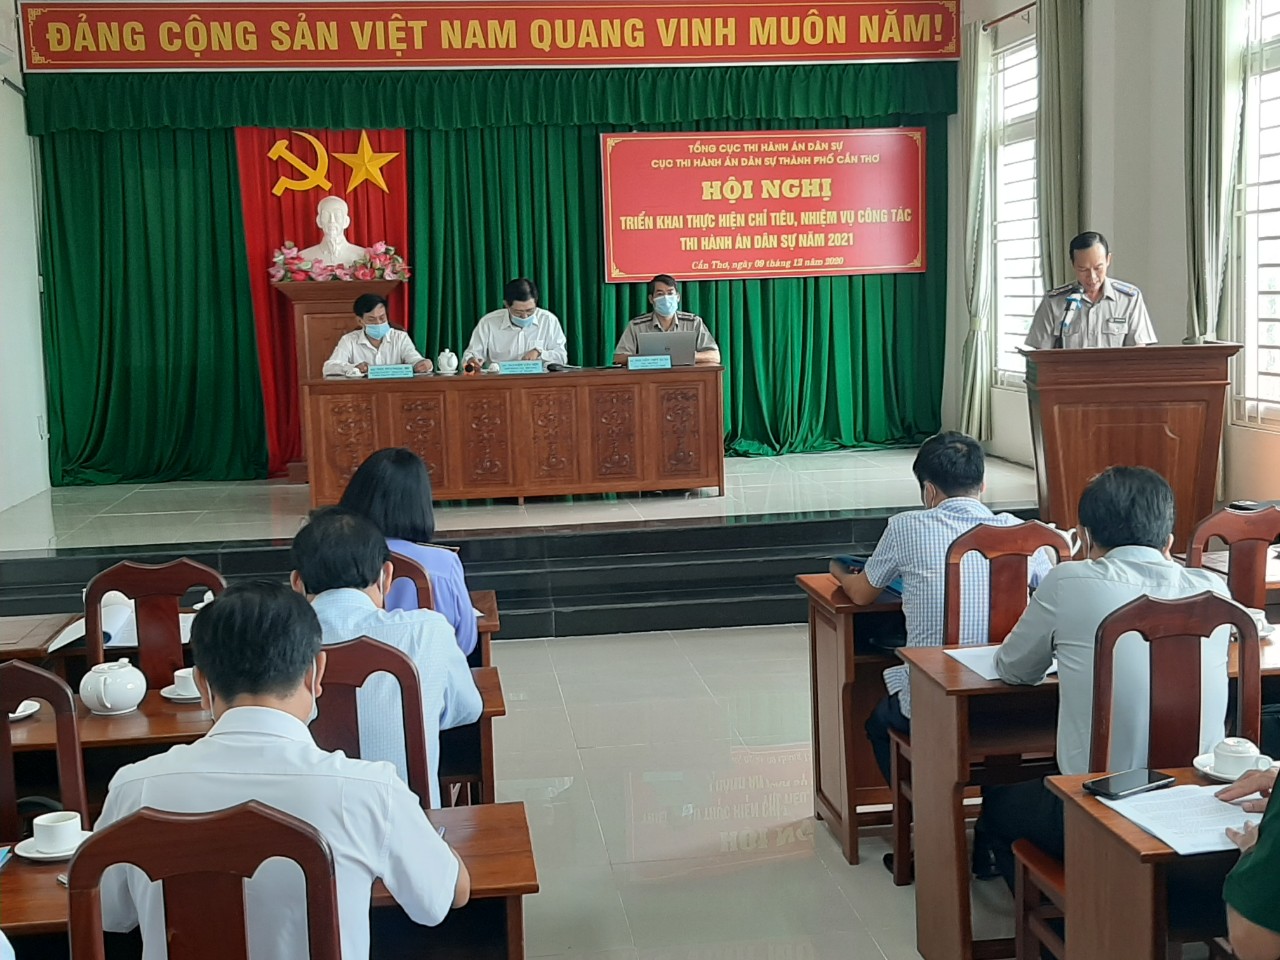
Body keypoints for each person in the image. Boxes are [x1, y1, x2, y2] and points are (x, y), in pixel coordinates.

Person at [95, 581, 469, 960]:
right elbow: (445, 897)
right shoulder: (369, 790)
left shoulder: (134, 789)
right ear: (314, 672)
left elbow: (110, 913)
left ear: (202, 684)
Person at [983, 466, 1233, 889]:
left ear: (1086, 535)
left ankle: (1071, 916)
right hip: (1199, 802)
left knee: (998, 805)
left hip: (1099, 806)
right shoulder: (1214, 593)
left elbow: (1014, 669)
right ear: (1169, 539)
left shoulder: (1069, 581)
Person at [829, 432, 1054, 789]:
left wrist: (839, 571)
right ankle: (1001, 808)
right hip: (1017, 698)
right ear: (983, 485)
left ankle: (923, 809)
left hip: (939, 701)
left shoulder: (906, 526)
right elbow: (1052, 594)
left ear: (929, 491)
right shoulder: (1023, 532)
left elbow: (861, 595)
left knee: (877, 723)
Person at [290, 507, 481, 807]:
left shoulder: (274, 641)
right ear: (387, 575)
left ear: (296, 583)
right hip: (411, 819)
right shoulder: (427, 630)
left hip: (309, 823)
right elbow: (468, 709)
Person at [339, 447, 478, 658]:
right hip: (429, 674)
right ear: (420, 502)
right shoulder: (443, 564)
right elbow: (465, 643)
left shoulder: (335, 557)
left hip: (351, 675)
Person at [1023, 231, 1157, 349]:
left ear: (1108, 260)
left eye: (1098, 268)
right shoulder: (1054, 302)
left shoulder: (1129, 299)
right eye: (1083, 269)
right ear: (1073, 264)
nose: (1092, 277)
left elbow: (1137, 350)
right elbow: (1042, 354)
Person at [612, 274, 720, 365]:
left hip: (686, 379)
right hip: (649, 380)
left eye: (670, 293)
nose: (666, 298)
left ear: (678, 297)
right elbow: (619, 358)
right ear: (651, 299)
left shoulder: (694, 322)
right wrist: (650, 360)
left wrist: (685, 356)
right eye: (660, 294)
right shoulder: (636, 326)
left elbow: (714, 356)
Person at [464, 278, 568, 366]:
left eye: (530, 310)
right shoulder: (488, 322)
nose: (524, 316)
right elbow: (471, 354)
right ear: (506, 305)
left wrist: (540, 353)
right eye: (518, 312)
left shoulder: (548, 320)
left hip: (539, 381)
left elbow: (562, 357)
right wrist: (471, 361)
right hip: (501, 381)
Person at [323, 294, 432, 377]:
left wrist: (422, 364)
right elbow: (328, 368)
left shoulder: (400, 337)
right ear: (360, 321)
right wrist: (353, 368)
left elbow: (414, 359)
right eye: (372, 319)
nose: (378, 323)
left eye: (382, 318)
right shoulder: (349, 340)